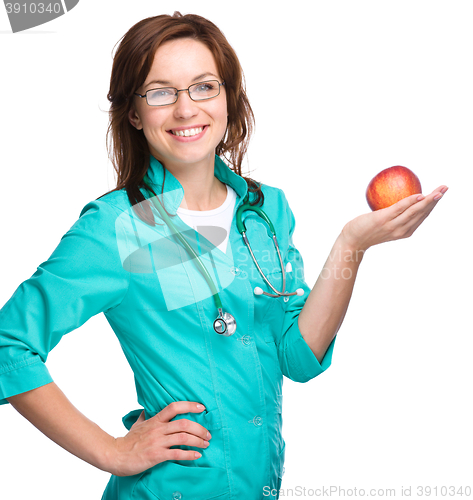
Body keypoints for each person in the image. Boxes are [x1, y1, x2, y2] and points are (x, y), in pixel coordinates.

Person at [0, 11, 447, 500]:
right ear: (133, 112)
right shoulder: (122, 226)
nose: (186, 109)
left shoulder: (266, 210)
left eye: (203, 87)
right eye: (160, 92)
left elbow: (296, 356)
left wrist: (351, 246)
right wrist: (112, 451)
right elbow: (10, 345)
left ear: (229, 98)